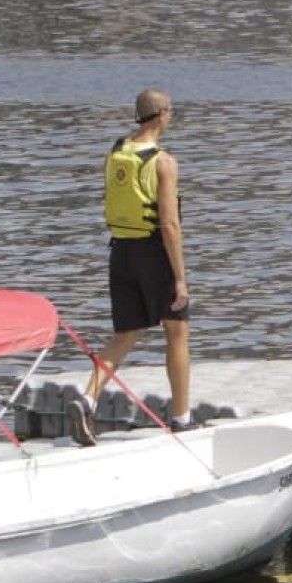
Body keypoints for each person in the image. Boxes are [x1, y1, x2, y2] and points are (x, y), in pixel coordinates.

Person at [68, 89, 192, 446]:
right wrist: (180, 278)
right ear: (162, 115)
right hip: (154, 253)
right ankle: (182, 418)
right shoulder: (163, 161)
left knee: (125, 334)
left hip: (120, 252)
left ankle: (88, 397)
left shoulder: (116, 151)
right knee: (177, 331)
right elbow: (169, 224)